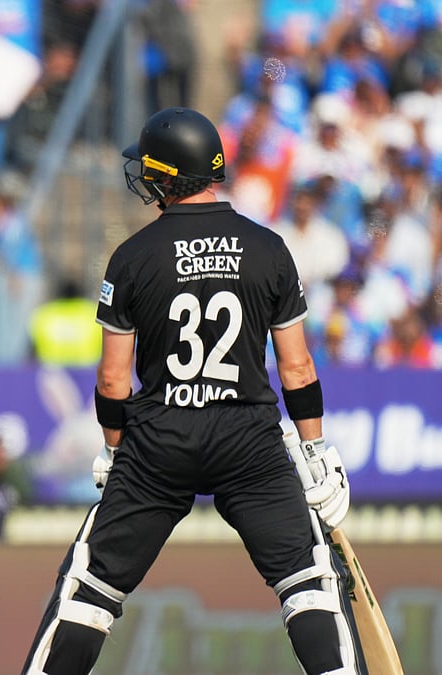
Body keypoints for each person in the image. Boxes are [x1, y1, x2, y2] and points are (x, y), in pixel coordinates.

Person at [20, 108, 364, 675]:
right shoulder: (270, 246)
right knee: (310, 581)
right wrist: (316, 451)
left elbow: (112, 378)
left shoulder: (132, 256)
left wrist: (112, 450)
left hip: (160, 442)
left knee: (89, 587)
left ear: (165, 174)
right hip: (249, 442)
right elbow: (297, 368)